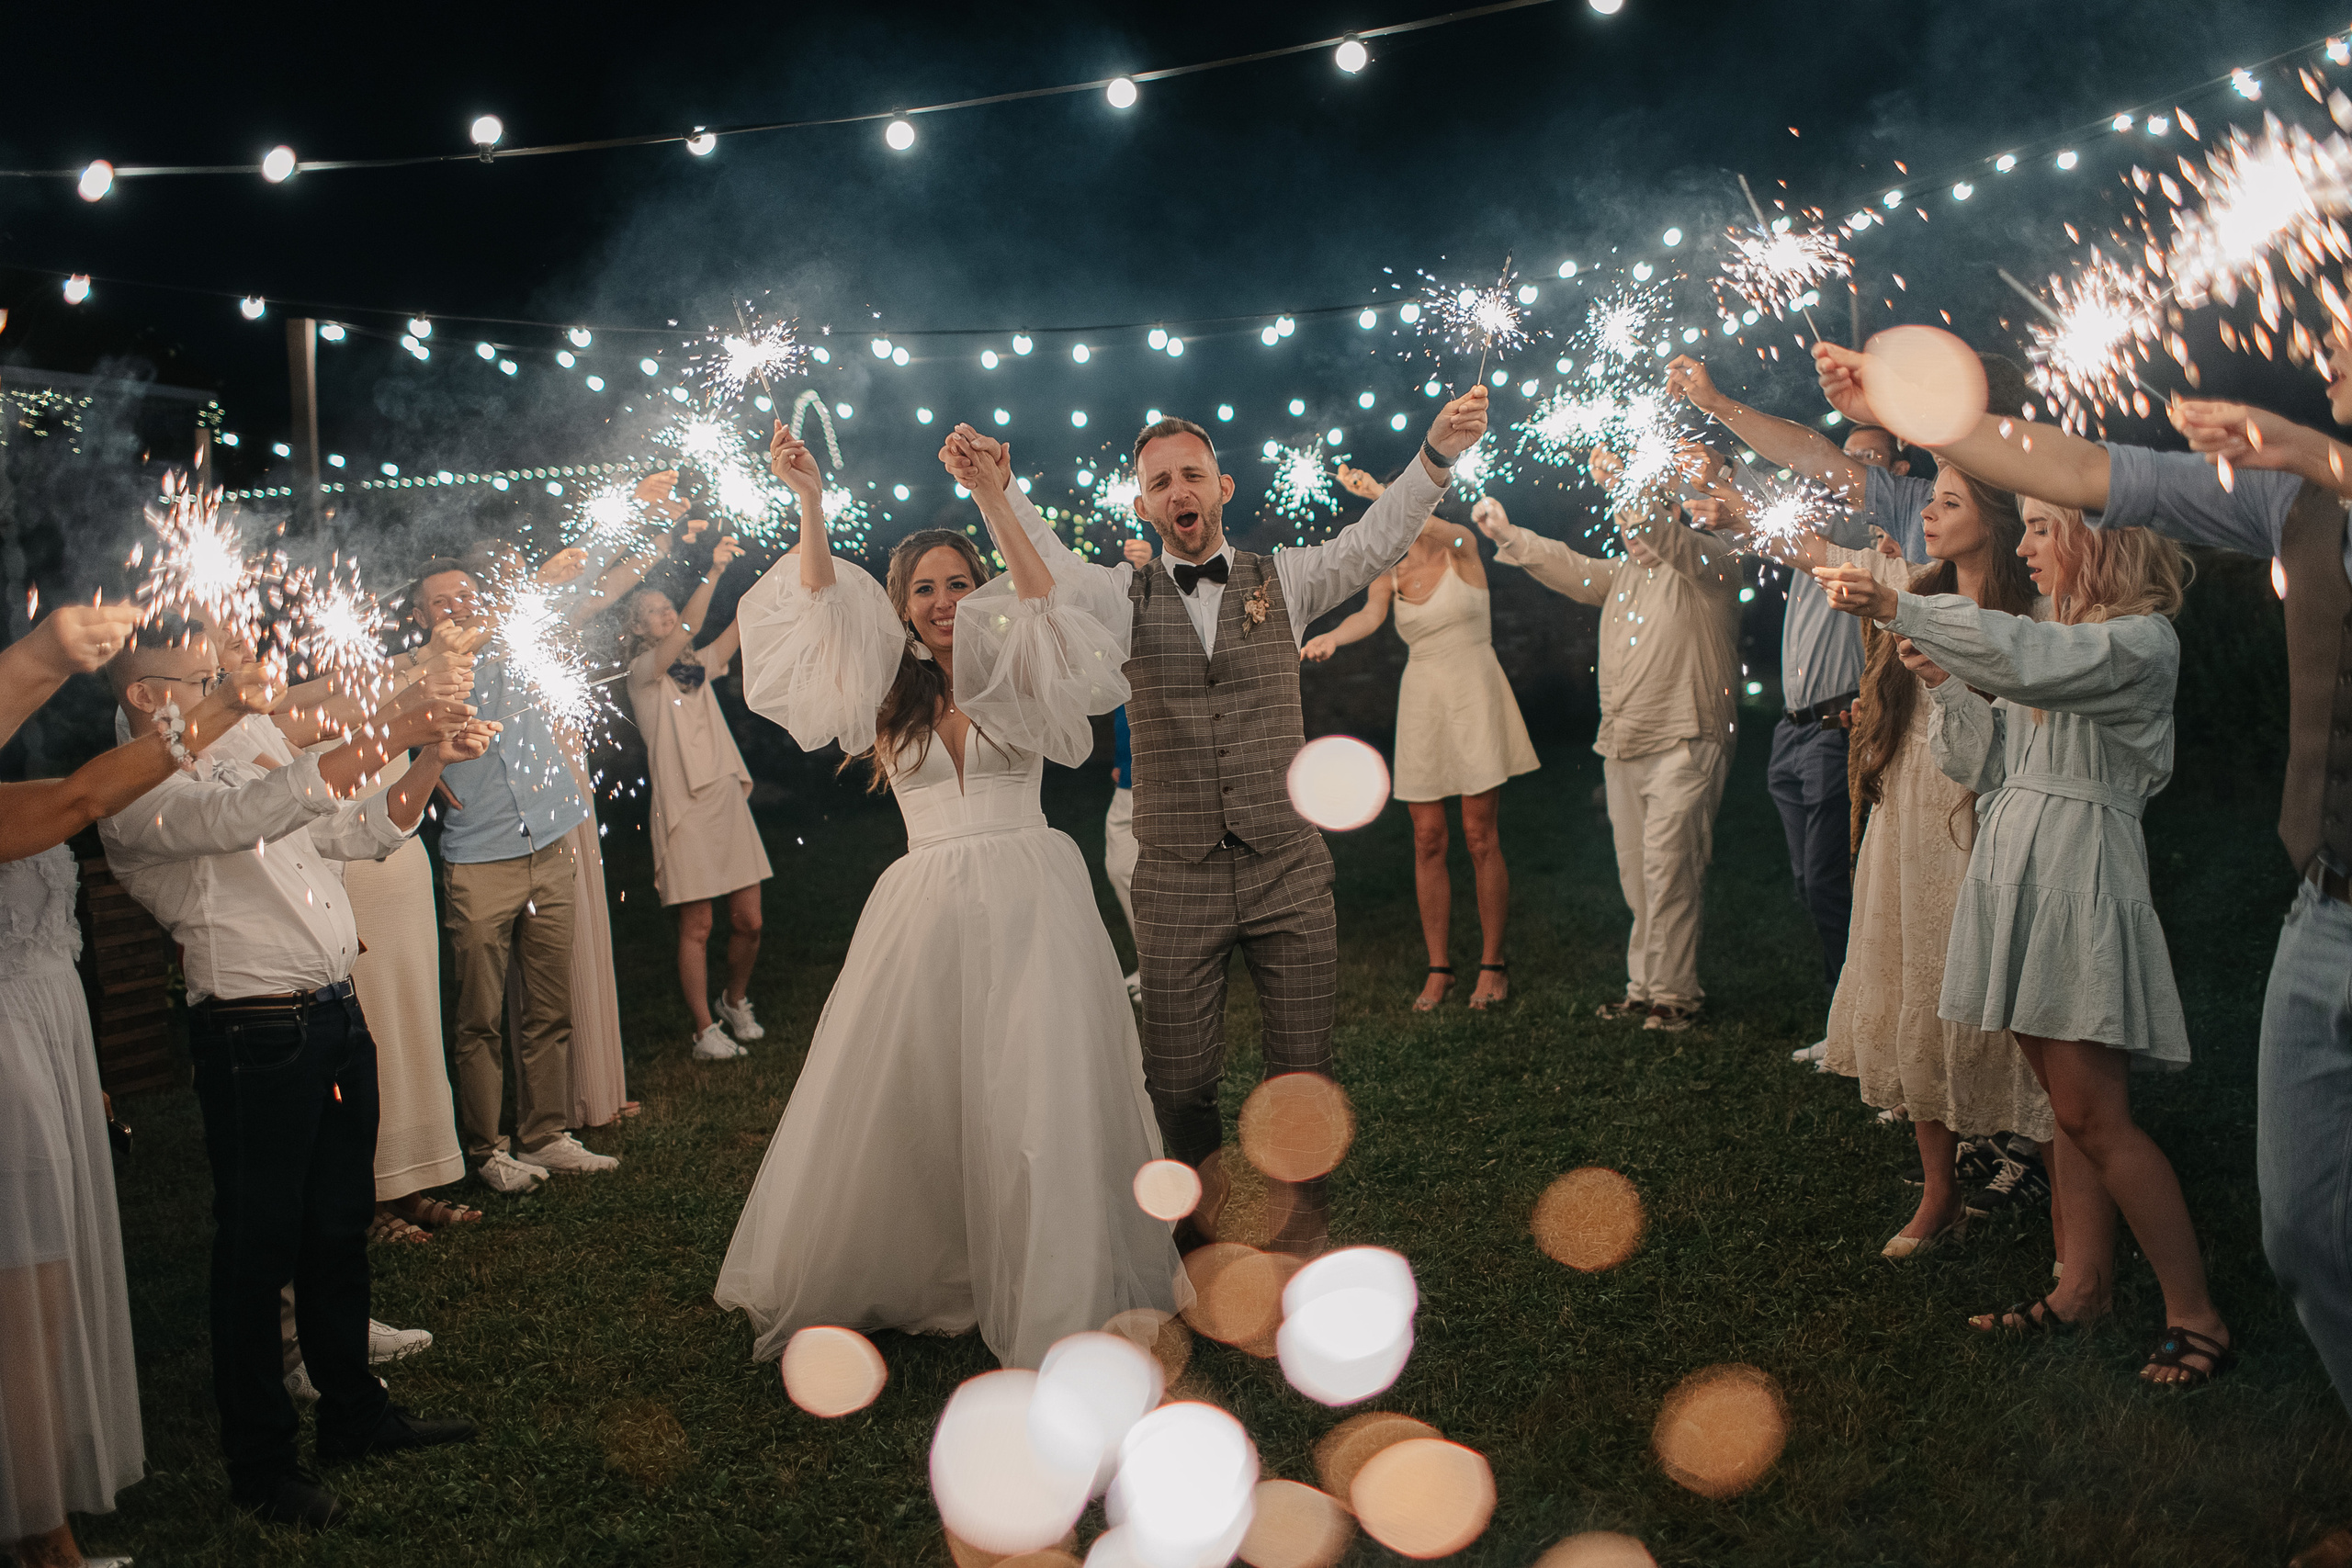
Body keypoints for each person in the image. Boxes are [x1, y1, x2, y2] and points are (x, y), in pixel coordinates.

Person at [938, 387, 1492, 1254]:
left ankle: (1301, 1237)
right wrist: (998, 490)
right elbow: (1046, 564)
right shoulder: (1115, 595)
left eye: (1191, 474)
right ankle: (1197, 1248)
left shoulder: (1289, 578)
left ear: (1222, 487)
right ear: (1144, 505)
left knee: (1302, 1070)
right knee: (1179, 1083)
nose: (1179, 491)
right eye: (1160, 482)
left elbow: (1376, 539)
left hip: (1287, 869)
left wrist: (1436, 454)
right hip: (1176, 876)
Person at [717, 429, 1179, 1368]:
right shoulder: (880, 689)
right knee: (921, 1093)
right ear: (900, 607)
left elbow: (1045, 601)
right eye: (923, 588)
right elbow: (817, 606)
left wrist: (993, 497)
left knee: (1037, 1089)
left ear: (981, 591)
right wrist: (810, 504)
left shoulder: (1019, 665)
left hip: (1032, 898)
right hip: (924, 907)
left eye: (959, 583)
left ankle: (1053, 1276)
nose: (941, 601)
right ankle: (942, 1258)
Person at [1817, 493, 2231, 1384]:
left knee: (2094, 1113)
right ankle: (2082, 1287)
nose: (2028, 543)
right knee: (2062, 1107)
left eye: (2045, 527)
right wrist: (1945, 684)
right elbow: (1986, 762)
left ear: (2106, 542)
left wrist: (1899, 605)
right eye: (2030, 524)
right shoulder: (2052, 631)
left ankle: (2195, 1313)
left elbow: (2033, 663)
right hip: (2019, 860)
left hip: (2078, 869)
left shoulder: (2138, 642)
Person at [99, 623, 491, 1529]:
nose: (226, 687)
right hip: (254, 1029)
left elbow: (344, 828)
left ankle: (353, 1413)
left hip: (332, 1012)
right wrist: (394, 726)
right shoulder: (136, 788)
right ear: (147, 697)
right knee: (257, 1250)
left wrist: (428, 758)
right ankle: (262, 1464)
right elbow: (254, 812)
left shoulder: (243, 739)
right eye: (201, 678)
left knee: (337, 1227)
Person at [1718, 467, 2053, 1258]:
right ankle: (1940, 1190)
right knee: (1913, 981)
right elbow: (1816, 553)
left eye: (1950, 502)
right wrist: (1738, 513)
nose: (1927, 513)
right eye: (1930, 498)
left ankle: (2032, 1151)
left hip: (1985, 812)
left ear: (1995, 520)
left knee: (2002, 987)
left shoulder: (2031, 612)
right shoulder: (1912, 583)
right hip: (1907, 808)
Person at [0, 606, 270, 1568]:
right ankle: (45, 1538)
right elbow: (84, 797)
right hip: (4, 1056)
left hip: (45, 1039)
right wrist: (219, 706)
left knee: (43, 1280)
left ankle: (42, 1532)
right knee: (24, 1289)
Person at [1665, 356, 1891, 1058]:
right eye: (1847, 457)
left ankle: (1861, 1025)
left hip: (1837, 725)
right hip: (1793, 732)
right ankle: (1848, 1014)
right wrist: (1722, 480)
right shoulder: (1815, 533)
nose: (1848, 470)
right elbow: (1769, 514)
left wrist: (1731, 476)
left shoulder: (1866, 535)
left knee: (1830, 882)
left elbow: (1777, 510)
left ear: (1894, 474)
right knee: (1808, 882)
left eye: (1867, 460)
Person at [1474, 465, 1741, 1032]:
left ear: (1673, 515)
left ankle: (1676, 995)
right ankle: (1643, 989)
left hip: (1685, 738)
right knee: (1637, 874)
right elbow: (1567, 566)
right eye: (1624, 522)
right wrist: (1506, 533)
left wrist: (1625, 484)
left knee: (1671, 870)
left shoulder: (1710, 565)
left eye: (1640, 518)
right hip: (1624, 743)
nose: (1632, 532)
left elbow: (1668, 538)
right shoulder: (1621, 576)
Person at [411, 559, 620, 1192]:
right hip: (478, 858)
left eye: (466, 594)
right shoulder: (421, 675)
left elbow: (580, 592)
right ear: (420, 617)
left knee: (549, 1006)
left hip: (550, 843)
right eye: (442, 601)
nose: (458, 606)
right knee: (479, 1016)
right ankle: (487, 1149)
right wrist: (421, 763)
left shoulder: (515, 637)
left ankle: (545, 1134)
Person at [1302, 465, 1538, 1010]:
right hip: (1423, 701)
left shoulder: (1460, 547)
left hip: (1474, 692)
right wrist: (1332, 637)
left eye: (1402, 503)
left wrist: (1385, 496)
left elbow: (1441, 528)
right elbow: (1370, 615)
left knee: (1479, 835)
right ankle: (1439, 968)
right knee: (1427, 837)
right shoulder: (1390, 568)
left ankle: (1493, 964)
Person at [620, 536, 772, 1061]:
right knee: (698, 926)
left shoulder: (695, 668)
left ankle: (733, 1000)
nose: (666, 613)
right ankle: (705, 1031)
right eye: (653, 611)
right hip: (683, 805)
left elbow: (738, 628)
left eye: (667, 604)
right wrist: (714, 571)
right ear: (638, 629)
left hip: (723, 796)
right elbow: (688, 628)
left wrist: (774, 577)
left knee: (750, 920)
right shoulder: (642, 674)